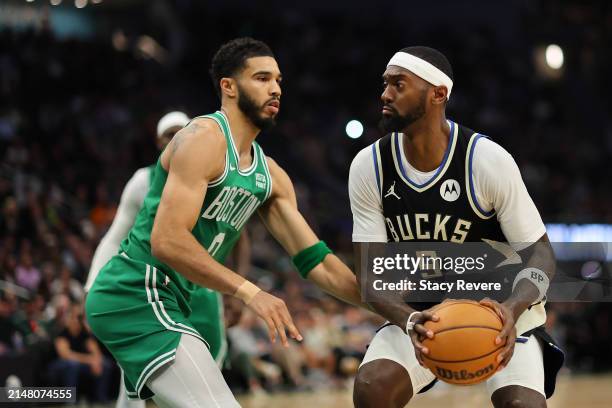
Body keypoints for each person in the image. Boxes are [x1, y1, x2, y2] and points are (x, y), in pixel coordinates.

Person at [85, 37, 362, 407]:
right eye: (262, 78)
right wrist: (250, 292)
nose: (275, 88)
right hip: (138, 290)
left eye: (278, 80)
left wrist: (395, 311)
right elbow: (166, 240)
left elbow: (319, 263)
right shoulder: (202, 139)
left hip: (177, 299)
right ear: (228, 87)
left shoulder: (271, 177)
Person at [349, 46, 564, 407]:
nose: (385, 94)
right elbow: (370, 279)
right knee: (373, 388)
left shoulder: (486, 160)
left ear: (438, 94)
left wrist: (510, 311)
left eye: (399, 85)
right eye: (385, 84)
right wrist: (410, 318)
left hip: (498, 312)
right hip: (422, 314)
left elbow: (541, 255)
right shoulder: (369, 165)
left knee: (521, 405)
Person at [85, 111, 250, 408]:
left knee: (207, 372)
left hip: (200, 288)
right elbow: (114, 235)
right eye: (168, 133)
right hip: (150, 286)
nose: (176, 137)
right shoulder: (143, 180)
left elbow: (238, 233)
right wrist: (92, 281)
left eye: (181, 130)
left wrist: (237, 294)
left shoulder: (214, 172)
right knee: (145, 381)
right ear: (159, 141)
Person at [48, 303, 112, 403]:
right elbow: (66, 355)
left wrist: (96, 361)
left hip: (80, 363)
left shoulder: (84, 333)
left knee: (105, 364)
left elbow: (96, 352)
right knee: (73, 364)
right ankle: (70, 400)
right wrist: (90, 360)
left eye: (78, 318)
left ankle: (100, 398)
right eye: (72, 318)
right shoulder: (62, 333)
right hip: (59, 365)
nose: (75, 321)